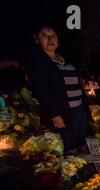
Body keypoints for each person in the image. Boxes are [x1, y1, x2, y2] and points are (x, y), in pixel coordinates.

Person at [24, 25, 91, 153]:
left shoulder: (64, 59)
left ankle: (84, 170)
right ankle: (71, 171)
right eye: (44, 35)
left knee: (81, 142)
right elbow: (41, 90)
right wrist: (54, 114)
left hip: (78, 109)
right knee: (67, 146)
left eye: (53, 35)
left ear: (58, 40)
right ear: (37, 39)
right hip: (62, 112)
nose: (50, 38)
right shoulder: (38, 62)